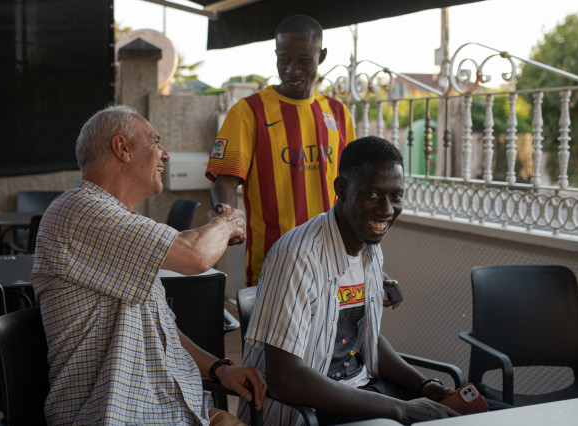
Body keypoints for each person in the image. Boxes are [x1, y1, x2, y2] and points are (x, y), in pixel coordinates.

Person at [32, 105, 266, 425]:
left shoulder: (119, 221)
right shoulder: (78, 210)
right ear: (122, 148)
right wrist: (226, 223)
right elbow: (196, 255)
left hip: (169, 408)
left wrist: (220, 369)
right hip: (116, 414)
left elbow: (161, 324)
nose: (165, 154)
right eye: (156, 141)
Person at [239, 136, 460, 425]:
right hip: (309, 409)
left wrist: (421, 385)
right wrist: (398, 409)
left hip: (361, 392)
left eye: (396, 196)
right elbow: (285, 379)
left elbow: (365, 338)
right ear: (341, 189)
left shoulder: (370, 248)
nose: (386, 209)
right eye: (372, 195)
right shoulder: (299, 255)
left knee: (476, 413)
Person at [205, 14, 357, 287]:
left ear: (321, 56)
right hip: (274, 263)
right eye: (283, 60)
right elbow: (225, 181)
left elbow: (354, 188)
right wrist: (226, 216)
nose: (292, 70)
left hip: (333, 262)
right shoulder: (248, 112)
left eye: (303, 60)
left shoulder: (339, 113)